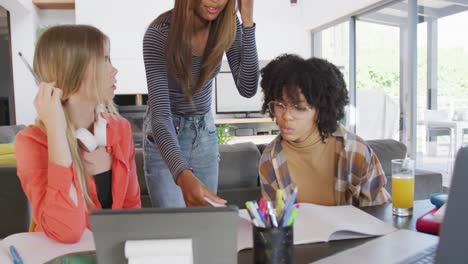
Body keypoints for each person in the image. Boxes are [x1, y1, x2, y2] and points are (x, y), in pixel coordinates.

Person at [14, 25, 141, 243]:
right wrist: (56, 132)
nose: (114, 70)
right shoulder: (31, 143)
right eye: (104, 60)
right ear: (72, 70)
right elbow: (67, 231)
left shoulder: (119, 129)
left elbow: (131, 209)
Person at [142, 0, 258, 207]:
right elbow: (160, 116)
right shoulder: (159, 34)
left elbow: (247, 88)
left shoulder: (226, 26)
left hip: (204, 133)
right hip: (167, 134)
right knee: (174, 228)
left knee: (204, 223)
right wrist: (182, 174)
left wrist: (247, 20)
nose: (216, 1)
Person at [258, 54, 391, 207]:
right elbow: (275, 222)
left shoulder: (356, 152)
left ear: (321, 110)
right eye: (279, 105)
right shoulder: (270, 161)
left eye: (300, 108)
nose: (286, 116)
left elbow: (379, 212)